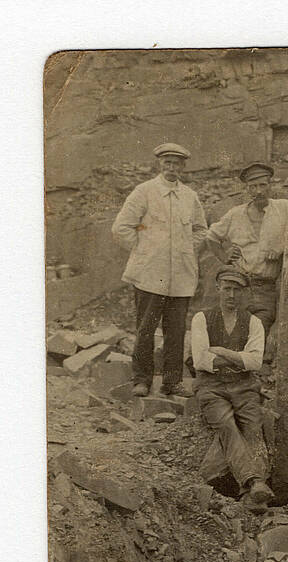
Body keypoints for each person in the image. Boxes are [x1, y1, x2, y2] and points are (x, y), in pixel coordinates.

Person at [111, 142, 208, 398]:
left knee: (175, 331)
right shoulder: (144, 192)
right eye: (167, 163)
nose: (171, 168)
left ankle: (172, 382)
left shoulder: (190, 196)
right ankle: (141, 379)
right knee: (145, 329)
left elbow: (200, 230)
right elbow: (122, 227)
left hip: (181, 277)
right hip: (149, 276)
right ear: (159, 164)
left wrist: (187, 249)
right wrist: (144, 252)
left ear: (183, 167)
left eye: (176, 164)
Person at [204, 162, 288, 342]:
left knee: (257, 332)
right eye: (253, 187)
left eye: (262, 185)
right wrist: (225, 258)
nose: (258, 191)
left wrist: (285, 248)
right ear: (247, 189)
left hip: (266, 288)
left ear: (270, 186)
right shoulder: (235, 214)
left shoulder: (284, 208)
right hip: (238, 285)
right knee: (226, 332)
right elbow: (211, 237)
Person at [190, 269, 273, 512]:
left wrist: (223, 352)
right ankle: (255, 482)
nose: (231, 294)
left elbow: (255, 362)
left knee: (254, 427)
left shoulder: (254, 322)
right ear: (218, 289)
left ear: (245, 292)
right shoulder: (202, 319)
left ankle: (252, 494)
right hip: (211, 387)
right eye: (227, 288)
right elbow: (201, 361)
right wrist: (240, 358)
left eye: (237, 289)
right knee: (226, 425)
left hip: (245, 387)